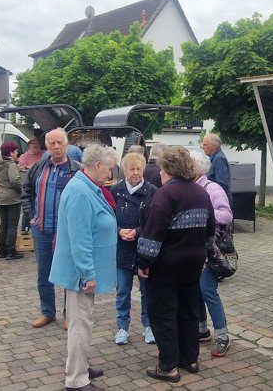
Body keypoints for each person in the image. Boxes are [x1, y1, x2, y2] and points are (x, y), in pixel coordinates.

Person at [137, 146, 216, 382]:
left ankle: (168, 366)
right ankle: (190, 359)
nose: (160, 173)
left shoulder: (165, 195)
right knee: (189, 312)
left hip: (166, 266)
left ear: (169, 169)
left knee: (164, 315)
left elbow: (153, 233)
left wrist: (143, 261)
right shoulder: (201, 193)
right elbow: (211, 230)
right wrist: (204, 255)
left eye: (162, 169)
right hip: (193, 264)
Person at [50, 145, 118, 391]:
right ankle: (76, 380)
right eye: (109, 168)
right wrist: (88, 274)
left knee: (83, 321)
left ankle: (80, 366)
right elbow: (80, 239)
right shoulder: (80, 191)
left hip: (83, 270)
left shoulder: (87, 187)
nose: (110, 174)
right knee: (80, 324)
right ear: (97, 165)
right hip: (80, 273)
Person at [22, 128, 82, 329]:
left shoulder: (77, 170)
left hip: (67, 232)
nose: (56, 147)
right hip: (41, 229)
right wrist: (31, 217)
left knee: (68, 274)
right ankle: (47, 312)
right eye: (52, 143)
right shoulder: (39, 167)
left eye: (60, 142)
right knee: (44, 274)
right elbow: (26, 191)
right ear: (46, 146)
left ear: (67, 144)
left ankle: (69, 314)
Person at [190, 150, 234, 358]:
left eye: (189, 165)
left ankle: (222, 335)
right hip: (193, 249)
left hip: (210, 249)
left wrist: (203, 211)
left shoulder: (212, 188)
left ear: (198, 168)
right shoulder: (189, 188)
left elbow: (226, 215)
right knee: (196, 289)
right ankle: (201, 329)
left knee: (208, 290)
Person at [110, 152, 157, 345]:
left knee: (148, 292)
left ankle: (148, 326)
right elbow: (108, 218)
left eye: (139, 169)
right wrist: (119, 231)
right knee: (122, 290)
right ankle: (122, 327)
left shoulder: (152, 191)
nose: (136, 173)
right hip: (122, 249)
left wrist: (137, 231)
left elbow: (156, 220)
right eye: (132, 169)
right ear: (124, 170)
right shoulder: (115, 190)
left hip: (144, 250)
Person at [0, 141, 25, 260]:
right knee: (12, 225)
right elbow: (15, 180)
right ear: (11, 152)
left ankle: (2, 249)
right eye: (16, 151)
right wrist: (22, 190)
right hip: (12, 198)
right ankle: (11, 250)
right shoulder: (11, 164)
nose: (17, 153)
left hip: (1, 196)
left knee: (4, 224)